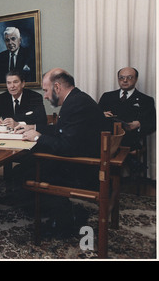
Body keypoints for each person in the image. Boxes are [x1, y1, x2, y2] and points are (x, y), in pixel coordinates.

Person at [15, 68, 109, 237]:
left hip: (84, 170)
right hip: (87, 160)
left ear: (57, 87)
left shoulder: (75, 104)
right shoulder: (77, 99)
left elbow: (66, 146)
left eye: (45, 90)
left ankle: (62, 221)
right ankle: (64, 212)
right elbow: (61, 130)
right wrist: (34, 127)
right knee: (29, 163)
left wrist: (37, 138)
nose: (44, 95)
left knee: (23, 173)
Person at [0, 69, 47, 195]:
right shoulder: (1, 98)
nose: (12, 86)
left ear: (23, 83)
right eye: (9, 83)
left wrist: (18, 123)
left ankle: (17, 191)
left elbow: (42, 121)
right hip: (4, 142)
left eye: (15, 82)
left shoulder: (35, 97)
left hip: (26, 142)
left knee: (25, 166)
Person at [98, 67, 156, 151]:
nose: (125, 80)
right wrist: (102, 114)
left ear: (136, 79)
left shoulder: (146, 100)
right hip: (108, 140)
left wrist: (139, 124)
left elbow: (153, 123)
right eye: (121, 77)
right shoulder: (107, 96)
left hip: (131, 142)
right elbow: (94, 116)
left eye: (129, 77)